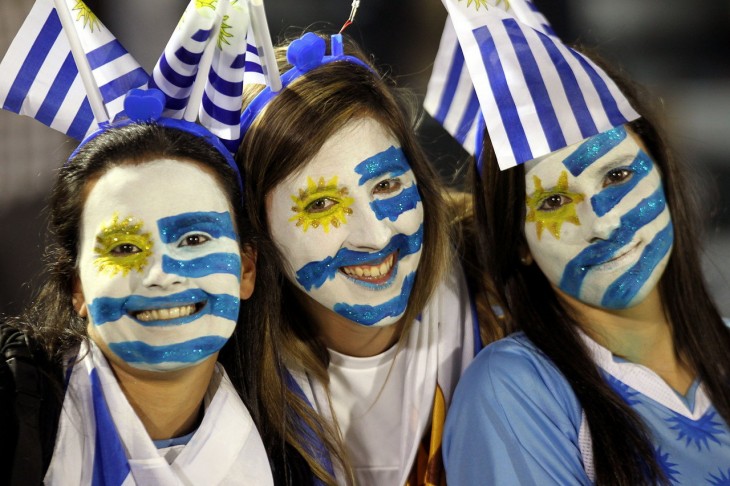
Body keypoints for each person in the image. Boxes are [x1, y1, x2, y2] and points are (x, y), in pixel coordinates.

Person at [431, 3, 730, 484]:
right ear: (520, 243)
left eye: (617, 174)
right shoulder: (514, 390)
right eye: (552, 202)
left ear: (661, 169)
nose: (603, 223)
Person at [234, 32, 481, 485]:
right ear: (256, 233)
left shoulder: (496, 277)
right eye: (321, 205)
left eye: (386, 185)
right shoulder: (229, 379)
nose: (376, 236)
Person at [0, 111, 276, 484]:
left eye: (194, 240)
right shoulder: (15, 405)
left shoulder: (292, 434)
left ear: (246, 270)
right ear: (76, 286)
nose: (162, 275)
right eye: (126, 247)